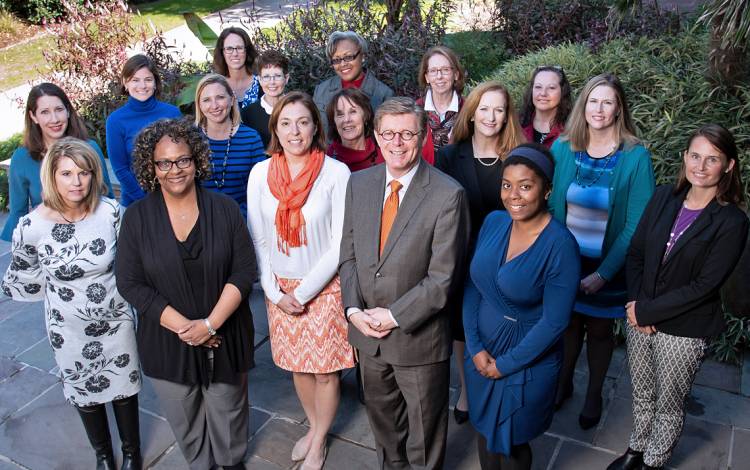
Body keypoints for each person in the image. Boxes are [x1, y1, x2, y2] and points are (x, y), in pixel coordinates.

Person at [115, 118, 256, 470]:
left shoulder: (224, 209)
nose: (174, 170)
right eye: (164, 162)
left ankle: (230, 463)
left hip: (225, 335)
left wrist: (210, 325)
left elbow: (244, 271)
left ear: (197, 161)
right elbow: (130, 282)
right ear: (152, 167)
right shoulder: (136, 218)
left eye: (183, 160)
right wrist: (187, 329)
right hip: (166, 341)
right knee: (187, 423)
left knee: (229, 414)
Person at [339, 97, 470, 469]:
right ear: (376, 137)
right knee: (384, 430)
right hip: (368, 336)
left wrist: (394, 315)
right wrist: (353, 311)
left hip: (418, 340)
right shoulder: (359, 184)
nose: (397, 143)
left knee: (425, 437)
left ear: (423, 135)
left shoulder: (448, 195)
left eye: (407, 133)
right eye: (389, 134)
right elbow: (347, 255)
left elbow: (442, 280)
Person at [608, 124, 749, 470]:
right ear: (685, 157)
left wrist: (649, 312)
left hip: (685, 328)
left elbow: (704, 285)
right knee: (641, 392)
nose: (700, 167)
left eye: (712, 159)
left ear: (728, 165)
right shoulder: (663, 197)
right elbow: (637, 252)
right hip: (640, 313)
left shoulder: (731, 221)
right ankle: (636, 450)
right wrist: (638, 305)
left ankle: (654, 462)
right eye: (695, 156)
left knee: (669, 403)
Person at [2, 137, 141, 470]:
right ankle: (104, 455)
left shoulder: (110, 212)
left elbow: (132, 264)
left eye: (83, 173)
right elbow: (24, 277)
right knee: (83, 389)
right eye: (66, 174)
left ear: (95, 175)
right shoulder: (31, 227)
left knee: (124, 386)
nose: (76, 182)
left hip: (116, 316)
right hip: (68, 326)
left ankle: (132, 452)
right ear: (53, 176)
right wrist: (62, 296)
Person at [247, 91, 355, 470]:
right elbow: (258, 237)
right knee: (299, 367)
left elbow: (341, 242)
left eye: (303, 122)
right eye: (286, 123)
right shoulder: (261, 173)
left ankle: (320, 441)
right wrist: (274, 291)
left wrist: (305, 292)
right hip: (279, 288)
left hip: (322, 289)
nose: (295, 131)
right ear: (275, 128)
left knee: (325, 371)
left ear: (315, 127)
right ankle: (313, 427)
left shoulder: (335, 173)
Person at [464, 143, 580, 470]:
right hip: (480, 352)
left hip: (527, 361)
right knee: (484, 431)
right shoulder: (493, 222)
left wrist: (504, 365)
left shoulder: (561, 246)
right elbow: (474, 285)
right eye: (507, 184)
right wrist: (474, 346)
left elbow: (555, 323)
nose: (514, 195)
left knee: (513, 442)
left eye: (526, 186)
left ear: (547, 190)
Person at [549, 73, 655, 430]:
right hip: (566, 261)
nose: (599, 108)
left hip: (608, 263)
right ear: (583, 104)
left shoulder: (635, 156)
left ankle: (594, 392)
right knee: (566, 327)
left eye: (608, 102)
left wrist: (604, 273)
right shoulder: (564, 148)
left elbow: (636, 223)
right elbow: (548, 209)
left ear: (619, 108)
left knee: (598, 331)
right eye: (593, 100)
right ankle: (563, 385)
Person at [435, 81, 525, 424]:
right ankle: (468, 390)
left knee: (501, 324)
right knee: (462, 326)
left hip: (507, 259)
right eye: (484, 108)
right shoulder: (449, 155)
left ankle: (498, 383)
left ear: (507, 116)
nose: (491, 116)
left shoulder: (517, 156)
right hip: (462, 257)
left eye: (499, 110)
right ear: (471, 113)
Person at [1, 83, 114, 241]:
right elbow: (17, 213)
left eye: (59, 110)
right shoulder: (22, 159)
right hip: (48, 243)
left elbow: (107, 197)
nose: (54, 119)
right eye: (45, 112)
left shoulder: (90, 148)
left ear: (68, 111)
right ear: (33, 116)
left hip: (94, 238)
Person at [106, 54, 181, 207]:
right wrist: (147, 201)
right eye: (135, 80)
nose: (142, 86)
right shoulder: (115, 121)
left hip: (175, 199)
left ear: (155, 83)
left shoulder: (173, 114)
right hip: (136, 203)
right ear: (125, 83)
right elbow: (120, 169)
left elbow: (183, 158)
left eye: (148, 79)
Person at [195, 73, 266, 218]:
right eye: (207, 100)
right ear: (199, 105)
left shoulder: (251, 138)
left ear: (232, 99)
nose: (214, 106)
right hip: (200, 223)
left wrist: (236, 219)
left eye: (220, 97)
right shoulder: (190, 138)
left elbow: (261, 190)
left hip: (242, 222)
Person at [313, 31, 394, 134]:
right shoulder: (321, 91)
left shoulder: (384, 95)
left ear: (363, 56)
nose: (343, 64)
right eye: (336, 60)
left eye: (348, 57)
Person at [416, 45, 466, 152]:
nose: (439, 76)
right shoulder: (415, 110)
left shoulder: (468, 110)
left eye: (445, 70)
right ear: (427, 77)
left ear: (456, 74)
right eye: (433, 71)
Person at [325, 88, 383, 172]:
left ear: (366, 116)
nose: (347, 120)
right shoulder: (325, 161)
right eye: (340, 114)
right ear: (334, 121)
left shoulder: (384, 156)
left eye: (353, 112)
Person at [240, 50, 290, 148]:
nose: (272, 82)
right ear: (259, 79)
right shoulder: (246, 114)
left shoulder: (297, 110)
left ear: (286, 78)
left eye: (277, 76)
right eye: (266, 77)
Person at [519, 65, 572, 148]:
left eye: (551, 88)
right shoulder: (517, 125)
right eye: (538, 87)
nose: (543, 93)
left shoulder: (572, 129)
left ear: (563, 91)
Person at [213, 27, 261, 109]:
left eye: (239, 48)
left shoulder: (263, 84)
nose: (235, 54)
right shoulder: (215, 86)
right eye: (229, 48)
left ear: (247, 51)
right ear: (222, 52)